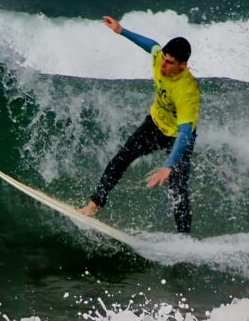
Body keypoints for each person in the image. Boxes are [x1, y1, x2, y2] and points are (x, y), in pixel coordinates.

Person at [79, 15, 200, 233]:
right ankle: (94, 205)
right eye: (164, 58)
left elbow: (185, 134)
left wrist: (168, 166)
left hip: (177, 136)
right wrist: (121, 30)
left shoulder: (187, 92)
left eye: (170, 63)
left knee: (178, 189)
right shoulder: (159, 58)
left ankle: (184, 239)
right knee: (122, 158)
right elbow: (151, 46)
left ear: (183, 65)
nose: (163, 64)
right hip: (155, 123)